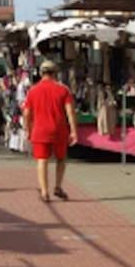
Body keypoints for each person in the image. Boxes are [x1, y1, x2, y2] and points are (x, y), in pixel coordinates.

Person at [23, 60, 79, 203]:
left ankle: (44, 192)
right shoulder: (63, 90)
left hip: (40, 130)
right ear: (55, 73)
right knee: (61, 159)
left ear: (41, 73)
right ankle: (58, 186)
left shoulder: (33, 90)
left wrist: (27, 129)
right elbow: (70, 112)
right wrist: (73, 131)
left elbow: (27, 113)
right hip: (59, 130)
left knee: (42, 160)